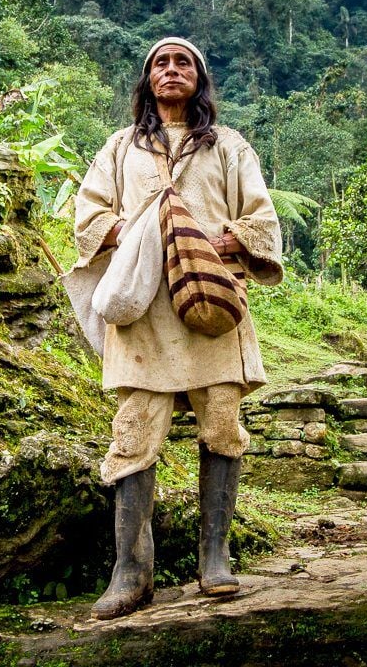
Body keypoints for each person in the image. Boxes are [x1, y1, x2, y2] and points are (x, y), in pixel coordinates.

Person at [72, 37, 284, 620]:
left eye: (182, 62)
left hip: (212, 307)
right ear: (147, 79)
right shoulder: (119, 148)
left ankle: (215, 557)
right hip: (143, 315)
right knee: (134, 433)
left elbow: (262, 220)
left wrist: (224, 239)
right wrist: (146, 232)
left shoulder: (232, 148)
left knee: (222, 425)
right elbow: (88, 219)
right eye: (161, 63)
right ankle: (131, 572)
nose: (172, 70)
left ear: (199, 78)